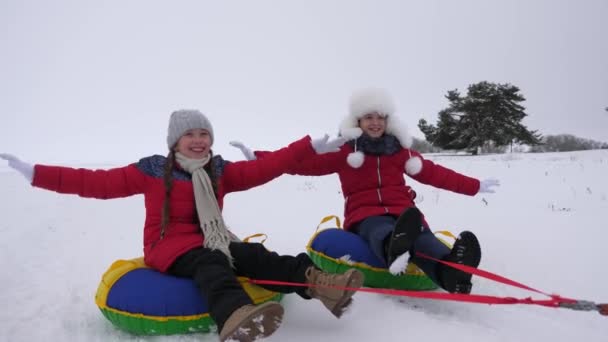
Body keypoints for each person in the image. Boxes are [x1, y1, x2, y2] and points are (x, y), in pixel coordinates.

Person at [0, 109, 365, 342]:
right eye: (190, 134)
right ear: (175, 140)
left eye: (203, 134)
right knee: (212, 264)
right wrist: (37, 174)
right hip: (169, 247)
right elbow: (95, 181)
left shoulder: (219, 170)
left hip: (213, 237)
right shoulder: (152, 170)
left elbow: (263, 169)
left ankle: (323, 286)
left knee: (254, 254)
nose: (198, 140)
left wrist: (306, 149)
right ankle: (236, 317)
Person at [230, 88, 500, 295]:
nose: (374, 123)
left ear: (387, 121)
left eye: (379, 118)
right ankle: (393, 249)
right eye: (368, 118)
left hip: (405, 213)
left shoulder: (400, 152)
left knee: (422, 238)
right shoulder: (345, 152)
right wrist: (260, 158)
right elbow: (304, 164)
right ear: (357, 121)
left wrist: (474, 186)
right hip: (365, 215)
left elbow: (434, 173)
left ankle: (451, 273)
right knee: (379, 229)